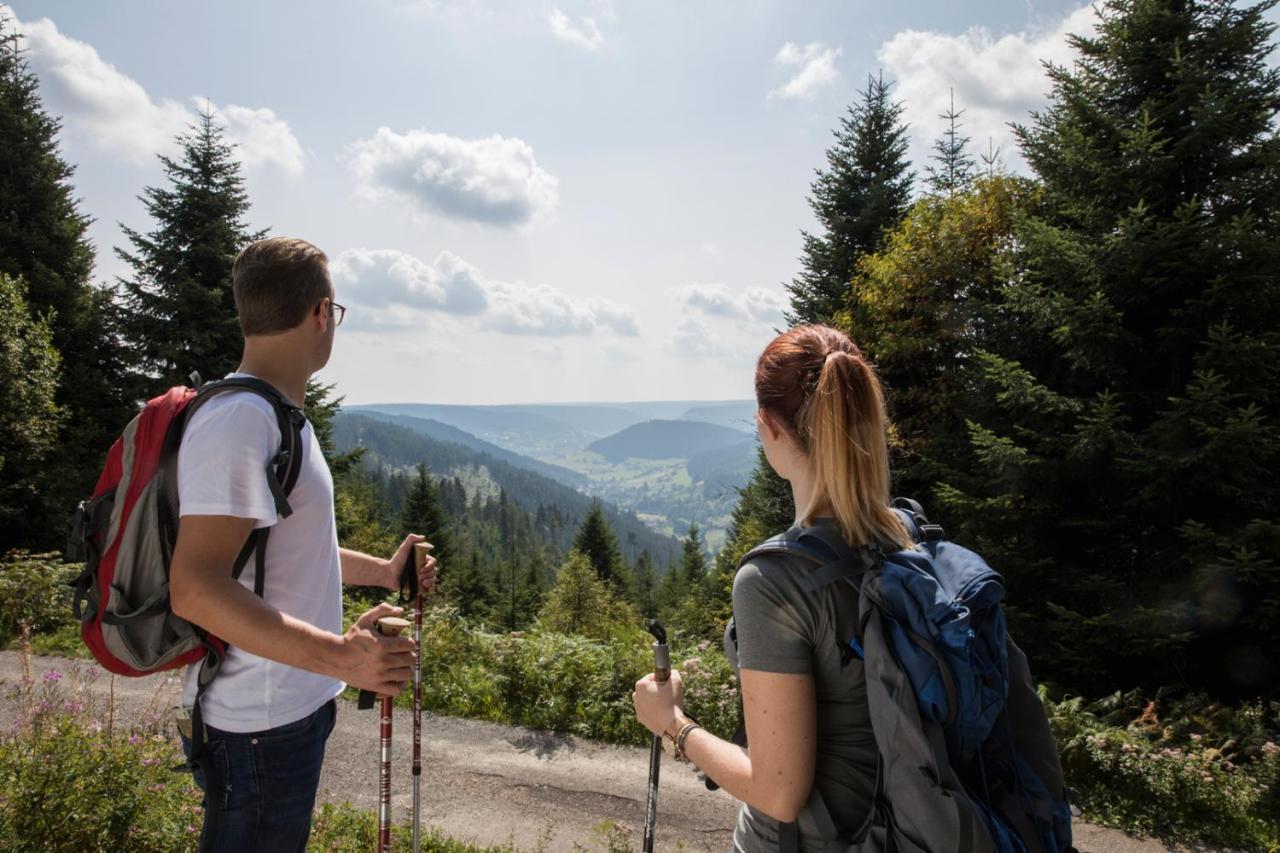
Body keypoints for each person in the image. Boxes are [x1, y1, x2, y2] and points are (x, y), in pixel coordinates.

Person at [169, 237, 439, 852]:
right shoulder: (242, 420)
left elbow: (285, 551)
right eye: (335, 312)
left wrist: (383, 572)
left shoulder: (277, 414)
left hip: (284, 710)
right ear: (321, 313)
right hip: (255, 722)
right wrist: (343, 658)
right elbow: (195, 586)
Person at [632, 324, 913, 851]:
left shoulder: (774, 581)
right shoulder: (906, 540)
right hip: (909, 830)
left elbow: (777, 793)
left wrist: (671, 723)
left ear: (768, 427)